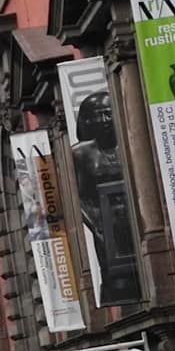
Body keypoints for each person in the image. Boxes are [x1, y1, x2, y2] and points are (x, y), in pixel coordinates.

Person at [71, 91, 140, 305]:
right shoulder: (81, 153)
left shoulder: (132, 142)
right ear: (87, 120)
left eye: (108, 114)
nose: (104, 121)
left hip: (135, 216)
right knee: (115, 277)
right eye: (98, 116)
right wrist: (97, 224)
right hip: (107, 224)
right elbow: (77, 197)